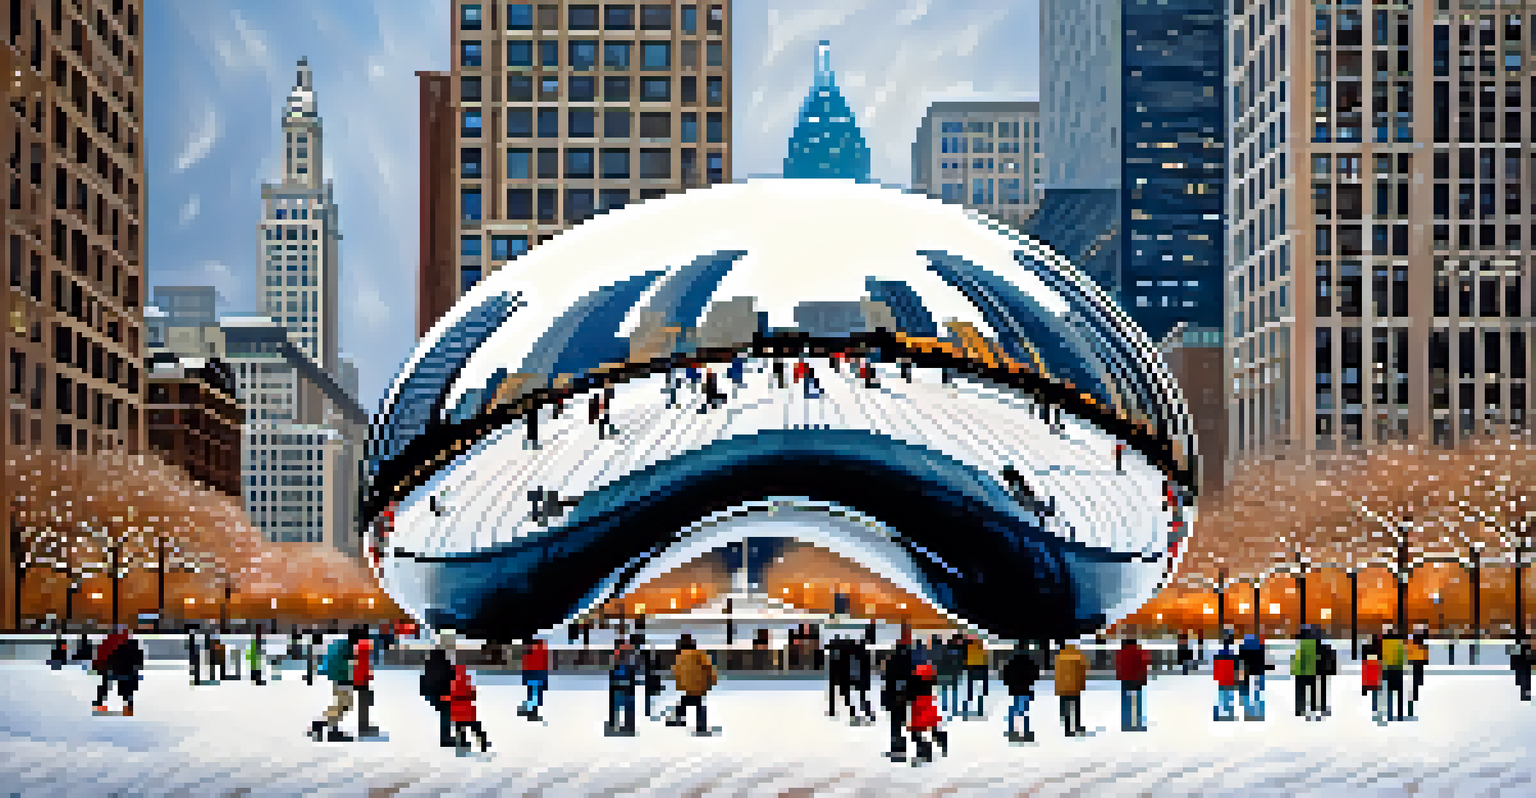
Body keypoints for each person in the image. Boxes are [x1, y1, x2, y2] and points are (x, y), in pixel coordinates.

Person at [310, 627, 363, 742]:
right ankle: (323, 725)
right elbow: (353, 666)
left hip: (336, 678)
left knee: (340, 705)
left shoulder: (338, 644)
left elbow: (329, 660)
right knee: (345, 705)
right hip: (343, 679)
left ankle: (330, 728)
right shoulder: (349, 648)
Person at [669, 634, 716, 735]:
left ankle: (681, 720)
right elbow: (709, 667)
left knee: (686, 702)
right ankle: (701, 726)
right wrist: (711, 680)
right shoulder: (700, 654)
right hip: (700, 684)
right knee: (697, 703)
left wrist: (680, 683)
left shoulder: (680, 656)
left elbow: (675, 671)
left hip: (688, 685)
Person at [881, 636, 916, 761]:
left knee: (895, 725)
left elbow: (885, 678)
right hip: (904, 697)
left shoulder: (891, 661)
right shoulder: (910, 664)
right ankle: (902, 747)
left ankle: (897, 749)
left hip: (893, 696)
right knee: (901, 722)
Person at [93, 628, 143, 716]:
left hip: (115, 669)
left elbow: (101, 656)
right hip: (122, 671)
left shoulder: (111, 642)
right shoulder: (130, 644)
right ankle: (128, 705)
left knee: (106, 682)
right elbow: (138, 661)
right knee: (126, 686)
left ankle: (100, 703)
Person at [906, 662, 947, 765]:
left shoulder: (916, 681)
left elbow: (910, 692)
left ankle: (925, 752)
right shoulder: (929, 682)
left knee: (915, 732)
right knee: (929, 727)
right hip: (926, 704)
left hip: (918, 706)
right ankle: (941, 740)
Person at [444, 664, 491, 753]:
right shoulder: (467, 683)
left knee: (460, 730)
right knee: (476, 728)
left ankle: (462, 746)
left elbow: (452, 697)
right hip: (468, 713)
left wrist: (446, 698)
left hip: (457, 714)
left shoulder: (453, 683)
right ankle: (483, 742)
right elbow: (473, 696)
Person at [1001, 645, 1040, 742]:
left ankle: (1012, 729)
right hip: (1026, 688)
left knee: (1016, 708)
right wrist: (1031, 681)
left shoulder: (1011, 661)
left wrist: (1008, 684)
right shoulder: (1030, 661)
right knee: (1024, 710)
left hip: (1015, 688)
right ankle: (1025, 731)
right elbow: (1035, 674)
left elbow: (1005, 673)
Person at [421, 642, 456, 747]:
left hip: (432, 693)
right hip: (443, 693)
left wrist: (424, 692)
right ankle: (446, 738)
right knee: (446, 715)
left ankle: (446, 737)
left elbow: (424, 679)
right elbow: (451, 677)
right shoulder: (445, 664)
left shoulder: (428, 664)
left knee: (444, 715)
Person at [1116, 637, 1150, 731]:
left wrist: (1119, 677)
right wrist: (1144, 679)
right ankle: (1138, 722)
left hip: (1125, 679)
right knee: (1138, 701)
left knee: (1126, 702)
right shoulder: (1140, 652)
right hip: (1137, 679)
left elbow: (1119, 666)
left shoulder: (1121, 653)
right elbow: (1143, 665)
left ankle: (1125, 723)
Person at [1054, 642, 1087, 736]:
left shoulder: (1059, 657)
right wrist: (1082, 685)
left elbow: (1058, 673)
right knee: (1076, 707)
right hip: (1075, 686)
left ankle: (1067, 728)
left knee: (1066, 707)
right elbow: (1082, 671)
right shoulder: (1078, 655)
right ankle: (1077, 725)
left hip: (1064, 686)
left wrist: (1058, 687)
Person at [607, 639, 638, 735]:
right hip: (623, 682)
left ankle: (618, 724)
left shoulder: (619, 657)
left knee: (619, 704)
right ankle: (624, 725)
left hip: (620, 682)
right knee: (624, 704)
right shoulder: (628, 657)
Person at [353, 627, 379, 737]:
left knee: (362, 703)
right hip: (364, 677)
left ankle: (363, 725)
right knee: (364, 703)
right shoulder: (367, 644)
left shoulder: (356, 646)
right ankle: (364, 727)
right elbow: (369, 660)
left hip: (357, 676)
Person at [1238, 634, 1269, 720]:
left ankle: (1248, 710)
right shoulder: (1259, 644)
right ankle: (1256, 710)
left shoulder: (1245, 643)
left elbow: (1241, 657)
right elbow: (1262, 656)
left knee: (1250, 690)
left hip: (1248, 669)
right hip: (1256, 668)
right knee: (1257, 691)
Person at [1291, 625, 1318, 720]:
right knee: (1312, 691)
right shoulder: (1313, 645)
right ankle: (1313, 707)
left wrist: (1293, 670)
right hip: (1311, 671)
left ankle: (1299, 709)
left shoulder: (1299, 645)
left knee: (1300, 691)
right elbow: (1315, 659)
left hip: (1300, 671)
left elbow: (1295, 659)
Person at [519, 637, 550, 721]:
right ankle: (532, 711)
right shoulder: (541, 646)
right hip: (536, 672)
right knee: (535, 693)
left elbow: (526, 661)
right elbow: (544, 661)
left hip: (534, 672)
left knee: (533, 693)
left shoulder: (535, 647)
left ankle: (531, 710)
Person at [847, 634, 875, 724]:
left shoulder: (854, 656)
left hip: (856, 679)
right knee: (862, 698)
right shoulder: (866, 655)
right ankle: (867, 714)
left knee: (855, 699)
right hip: (863, 679)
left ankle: (854, 716)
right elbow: (869, 668)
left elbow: (852, 668)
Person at [1212, 633, 1240, 721]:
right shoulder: (1233, 656)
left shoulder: (1219, 655)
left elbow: (1216, 666)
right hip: (1229, 679)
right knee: (1228, 698)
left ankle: (1218, 714)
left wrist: (1216, 677)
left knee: (1222, 698)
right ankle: (1229, 714)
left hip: (1223, 679)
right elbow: (1235, 668)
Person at [1381, 627, 1406, 722]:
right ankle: (1400, 714)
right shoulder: (1399, 643)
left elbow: (1383, 658)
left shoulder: (1385, 643)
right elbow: (1403, 656)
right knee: (1400, 692)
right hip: (1398, 669)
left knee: (1390, 693)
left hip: (1388, 669)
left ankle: (1390, 713)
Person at [936, 634, 963, 718]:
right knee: (945, 691)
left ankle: (953, 709)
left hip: (952, 673)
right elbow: (941, 661)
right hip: (946, 672)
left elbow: (959, 663)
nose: (959, 642)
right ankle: (945, 708)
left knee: (953, 691)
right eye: (959, 640)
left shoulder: (959, 650)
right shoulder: (947, 649)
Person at [962, 634, 989, 717]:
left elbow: (965, 659)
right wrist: (986, 688)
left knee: (970, 689)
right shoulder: (982, 648)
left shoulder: (969, 647)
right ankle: (980, 710)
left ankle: (966, 709)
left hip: (972, 668)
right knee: (979, 691)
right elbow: (986, 661)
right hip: (981, 668)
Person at [1362, 634, 1385, 725]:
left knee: (1376, 694)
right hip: (1376, 672)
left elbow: (1364, 668)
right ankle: (1377, 711)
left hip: (1372, 672)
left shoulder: (1367, 649)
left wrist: (1363, 686)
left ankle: (1376, 711)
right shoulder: (1379, 650)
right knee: (1377, 694)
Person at [1407, 631, 1429, 714]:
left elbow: (1410, 654)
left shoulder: (1415, 645)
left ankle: (1413, 700)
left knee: (1415, 682)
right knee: (1416, 682)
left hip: (1416, 664)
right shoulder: (1421, 646)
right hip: (1418, 664)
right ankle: (1413, 700)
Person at [826, 634, 848, 718]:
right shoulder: (842, 649)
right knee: (842, 689)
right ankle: (845, 704)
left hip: (834, 668)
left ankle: (832, 710)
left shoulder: (832, 647)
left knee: (833, 690)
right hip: (840, 669)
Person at [1317, 634, 1337, 717]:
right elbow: (1333, 659)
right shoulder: (1328, 648)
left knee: (1318, 689)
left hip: (1317, 670)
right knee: (1323, 689)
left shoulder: (1316, 648)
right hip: (1324, 671)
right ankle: (1322, 707)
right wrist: (1332, 670)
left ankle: (1317, 706)